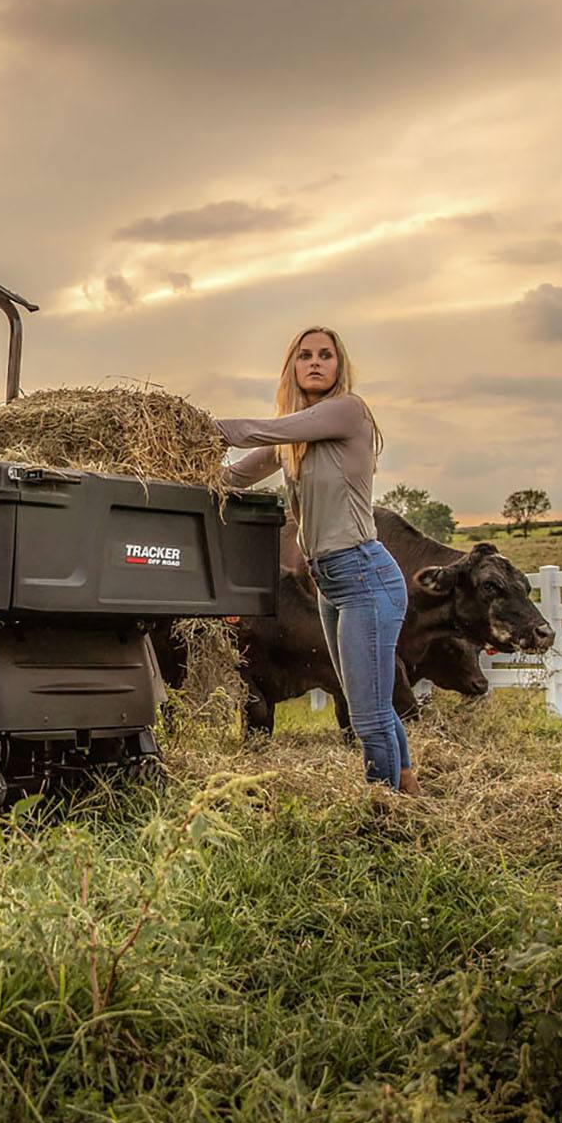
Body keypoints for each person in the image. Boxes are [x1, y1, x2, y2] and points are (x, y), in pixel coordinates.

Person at [218, 325, 417, 794]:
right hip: (330, 584)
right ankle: (407, 791)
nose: (314, 362)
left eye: (325, 355)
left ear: (338, 365)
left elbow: (262, 429)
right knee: (371, 700)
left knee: (366, 714)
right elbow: (234, 477)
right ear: (292, 366)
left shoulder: (347, 411)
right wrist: (178, 468)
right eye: (304, 355)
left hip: (366, 576)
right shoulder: (294, 440)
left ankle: (381, 809)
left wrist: (200, 426)